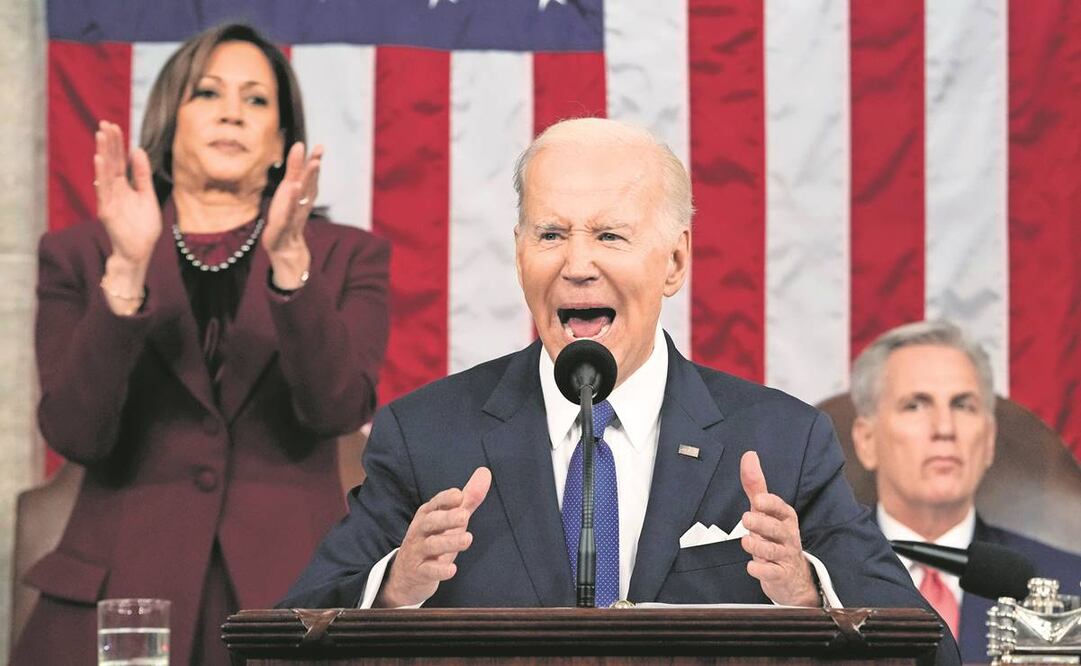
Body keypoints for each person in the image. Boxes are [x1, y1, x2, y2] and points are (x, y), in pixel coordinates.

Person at [280, 118, 958, 664]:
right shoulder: (427, 436)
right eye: (550, 235)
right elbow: (281, 642)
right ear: (520, 255)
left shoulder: (781, 443)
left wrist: (809, 596)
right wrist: (394, 591)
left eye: (609, 234)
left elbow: (928, 651)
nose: (577, 265)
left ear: (674, 262)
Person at [13, 23, 389, 666]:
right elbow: (76, 434)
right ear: (171, 122)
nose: (232, 113)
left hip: (288, 605)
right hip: (119, 603)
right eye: (208, 93)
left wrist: (291, 267)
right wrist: (126, 275)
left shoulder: (346, 256)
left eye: (257, 100)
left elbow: (335, 412)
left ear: (280, 142)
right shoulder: (81, 255)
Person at [850, 320, 1081, 663]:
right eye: (915, 405)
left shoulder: (1067, 584)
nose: (944, 428)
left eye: (963, 405)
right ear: (866, 440)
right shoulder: (815, 580)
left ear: (988, 441)